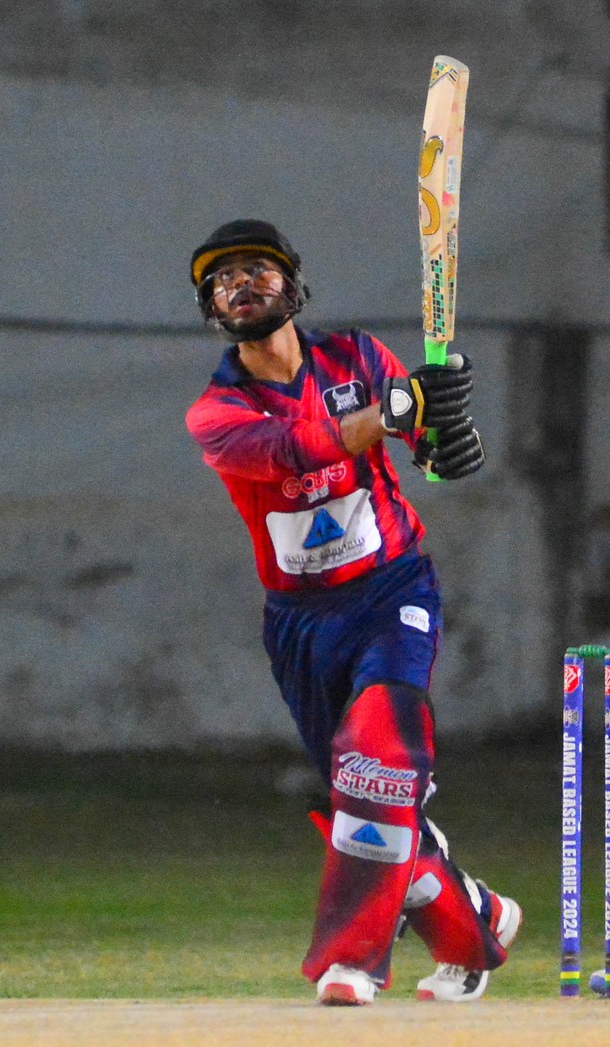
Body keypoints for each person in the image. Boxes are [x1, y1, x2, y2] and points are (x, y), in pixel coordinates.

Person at [183, 219, 518, 1006]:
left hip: (391, 590)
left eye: (258, 270)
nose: (241, 285)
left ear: (294, 286)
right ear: (211, 310)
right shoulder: (217, 414)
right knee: (359, 799)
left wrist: (444, 436)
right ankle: (476, 919)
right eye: (222, 280)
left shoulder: (358, 359)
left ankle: (352, 961)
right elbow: (301, 449)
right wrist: (399, 409)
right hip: (301, 623)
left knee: (377, 757)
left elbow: (422, 443)